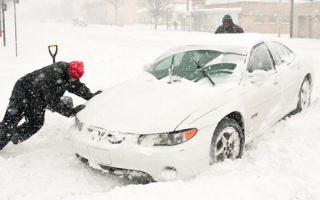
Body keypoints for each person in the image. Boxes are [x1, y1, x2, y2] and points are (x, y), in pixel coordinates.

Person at [0, 61, 102, 150]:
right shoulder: (53, 76)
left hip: (37, 96)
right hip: (24, 91)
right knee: (10, 121)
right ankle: (4, 137)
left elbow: (76, 87)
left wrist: (90, 96)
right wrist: (70, 111)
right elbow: (52, 101)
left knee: (36, 122)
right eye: (73, 77)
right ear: (69, 71)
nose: (74, 80)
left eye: (77, 78)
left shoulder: (69, 76)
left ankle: (14, 137)